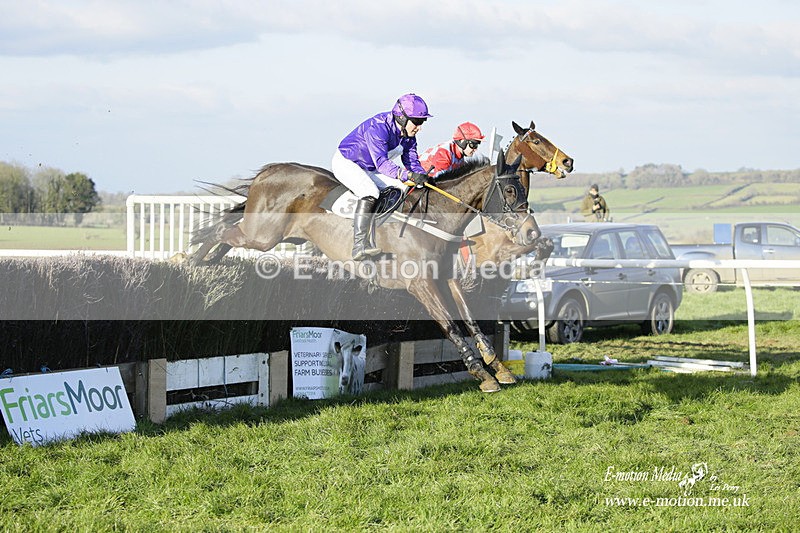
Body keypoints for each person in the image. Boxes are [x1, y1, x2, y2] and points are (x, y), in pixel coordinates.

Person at [332, 93, 433, 260]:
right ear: (402, 118)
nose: (419, 127)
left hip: (370, 168)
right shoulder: (378, 128)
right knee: (370, 192)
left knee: (405, 188)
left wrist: (421, 176)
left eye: (422, 122)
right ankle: (359, 245)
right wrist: (407, 174)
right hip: (348, 163)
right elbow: (382, 163)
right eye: (417, 121)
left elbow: (411, 160)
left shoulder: (408, 136)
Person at [419, 122, 484, 176]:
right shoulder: (444, 153)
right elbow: (440, 181)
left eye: (477, 145)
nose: (475, 149)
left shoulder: (460, 158)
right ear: (462, 142)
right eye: (473, 145)